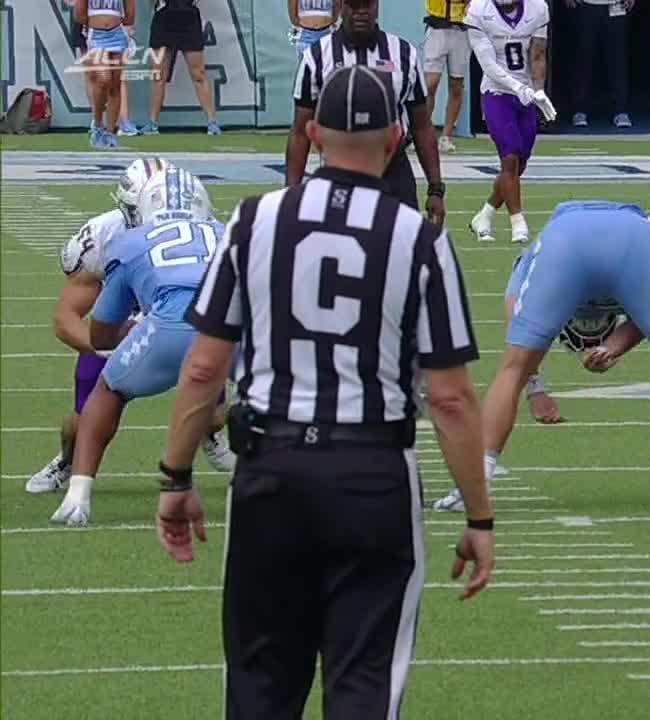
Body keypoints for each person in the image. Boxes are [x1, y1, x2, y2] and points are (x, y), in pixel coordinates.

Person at [154, 65, 494, 717]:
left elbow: (202, 368)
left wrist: (176, 477)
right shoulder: (417, 239)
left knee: (260, 685)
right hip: (372, 476)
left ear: (311, 133)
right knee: (363, 686)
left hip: (271, 470)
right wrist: (479, 517)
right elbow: (450, 398)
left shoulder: (254, 221)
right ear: (395, 138)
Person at [431, 202, 650, 512]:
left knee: (511, 369)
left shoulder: (535, 257)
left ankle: (473, 488)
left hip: (566, 242)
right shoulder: (644, 237)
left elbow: (515, 334)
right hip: (634, 240)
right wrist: (613, 346)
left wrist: (536, 387)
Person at [27, 158, 235, 496]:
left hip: (184, 322)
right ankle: (68, 461)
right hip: (118, 329)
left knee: (212, 415)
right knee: (85, 421)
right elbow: (66, 319)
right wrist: (110, 347)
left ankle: (209, 433)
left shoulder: (205, 228)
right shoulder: (104, 236)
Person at [289, 0, 448, 222]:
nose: (361, 12)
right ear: (341, 7)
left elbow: (421, 125)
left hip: (393, 169)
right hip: (338, 171)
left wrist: (435, 189)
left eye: (367, 5)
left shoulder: (403, 54)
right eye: (354, 6)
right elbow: (299, 132)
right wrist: (291, 192)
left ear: (377, 6)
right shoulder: (317, 57)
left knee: (405, 247)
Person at [466, 0, 556, 244]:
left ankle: (484, 216)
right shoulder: (478, 10)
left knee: (518, 166)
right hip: (496, 94)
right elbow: (488, 64)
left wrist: (538, 91)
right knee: (510, 156)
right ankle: (518, 222)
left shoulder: (538, 8)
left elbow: (537, 54)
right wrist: (519, 88)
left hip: (525, 95)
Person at [141, 0, 221, 135]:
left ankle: (212, 122)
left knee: (198, 74)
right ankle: (153, 123)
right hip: (164, 17)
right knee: (158, 74)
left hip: (188, 17)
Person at [75, 0, 135, 148]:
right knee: (103, 79)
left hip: (118, 33)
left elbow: (130, 14)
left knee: (115, 84)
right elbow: (79, 14)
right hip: (96, 34)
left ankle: (111, 132)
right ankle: (98, 124)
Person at [567, 0, 634, 129]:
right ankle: (579, 109)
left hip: (616, 6)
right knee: (583, 58)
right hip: (585, 5)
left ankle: (620, 110)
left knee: (617, 59)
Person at [422, 0, 472, 153]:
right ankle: (421, 133)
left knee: (456, 85)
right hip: (436, 27)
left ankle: (446, 137)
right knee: (430, 84)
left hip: (461, 30)